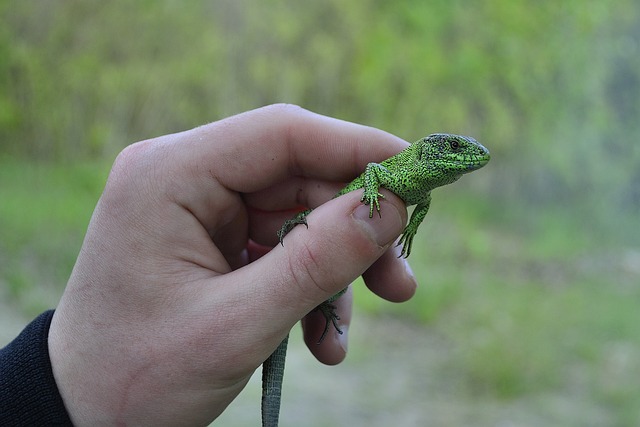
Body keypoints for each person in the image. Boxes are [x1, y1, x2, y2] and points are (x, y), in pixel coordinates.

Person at [0, 104, 417, 425]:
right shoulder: (400, 165)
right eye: (454, 147)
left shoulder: (422, 188)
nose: (468, 156)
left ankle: (320, 301)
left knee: (319, 288)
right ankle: (319, 299)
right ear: (431, 151)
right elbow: (373, 169)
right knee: (310, 270)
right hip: (302, 237)